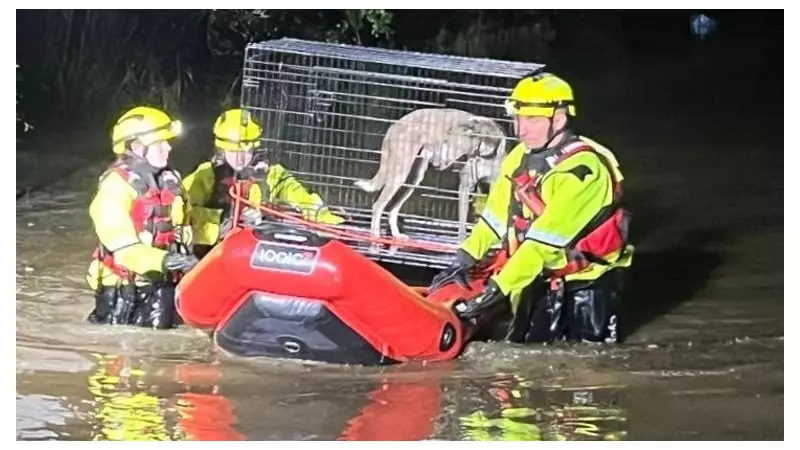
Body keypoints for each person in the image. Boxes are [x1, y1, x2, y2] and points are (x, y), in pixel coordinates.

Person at [430, 73, 634, 344]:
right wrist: (465, 256)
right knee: (524, 353)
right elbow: (494, 217)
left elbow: (543, 244)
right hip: (536, 275)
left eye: (532, 120)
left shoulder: (583, 171)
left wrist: (495, 291)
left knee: (589, 367)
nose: (520, 130)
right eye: (518, 118)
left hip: (588, 283)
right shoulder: (518, 157)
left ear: (558, 120)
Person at [86, 106, 199, 329]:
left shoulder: (171, 180)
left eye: (168, 142)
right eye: (159, 143)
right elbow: (124, 252)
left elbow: (187, 227)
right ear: (136, 147)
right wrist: (169, 261)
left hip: (165, 285)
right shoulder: (114, 187)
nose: (168, 148)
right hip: (125, 291)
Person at [182, 108, 345, 256]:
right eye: (234, 151)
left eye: (248, 151)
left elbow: (304, 199)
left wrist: (336, 226)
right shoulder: (206, 175)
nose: (242, 157)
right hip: (214, 256)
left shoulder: (270, 174)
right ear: (221, 148)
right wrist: (226, 223)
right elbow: (183, 212)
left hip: (258, 255)